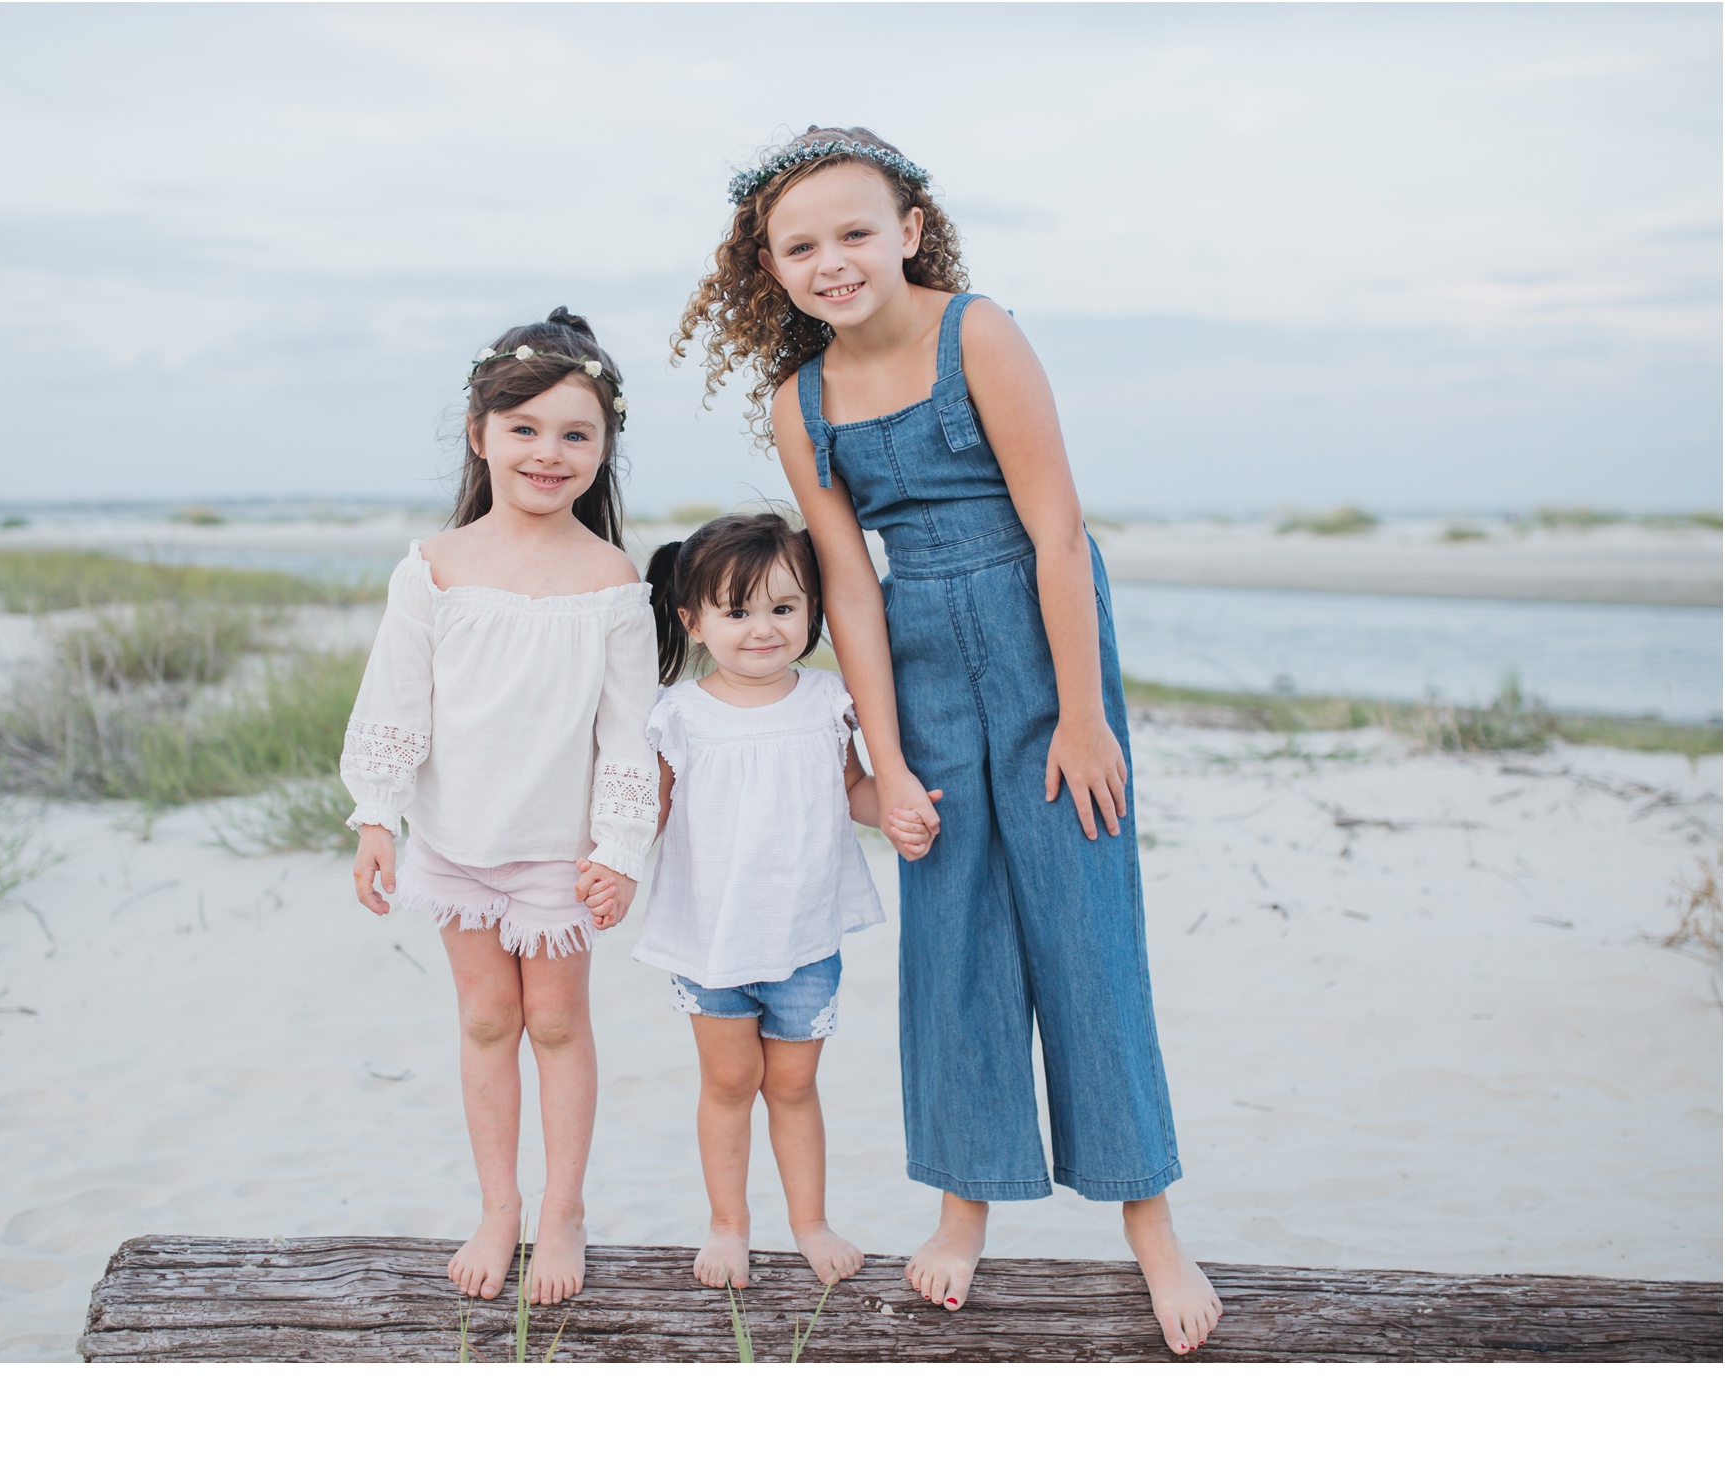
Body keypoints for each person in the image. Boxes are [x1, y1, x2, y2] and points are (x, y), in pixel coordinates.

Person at [672, 129, 1223, 1353]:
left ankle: (1150, 1223)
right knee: (955, 938)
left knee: (1084, 932)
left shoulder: (977, 332)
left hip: (1043, 651)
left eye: (854, 232)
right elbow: (850, 593)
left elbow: (1060, 532)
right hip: (918, 667)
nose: (832, 261)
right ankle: (961, 1206)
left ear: (909, 230)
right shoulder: (796, 400)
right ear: (766, 268)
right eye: (798, 245)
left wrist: (1081, 716)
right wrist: (887, 754)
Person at [342, 308, 657, 1306]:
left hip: (558, 852)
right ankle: (498, 1203)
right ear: (479, 434)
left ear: (604, 449)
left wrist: (618, 847)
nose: (548, 452)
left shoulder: (611, 581)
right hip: (457, 840)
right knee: (485, 1018)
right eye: (523, 428)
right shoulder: (433, 567)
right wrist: (376, 814)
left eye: (575, 433)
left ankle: (562, 1207)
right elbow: (394, 701)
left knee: (557, 1022)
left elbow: (626, 735)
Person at [629, 512, 931, 1290]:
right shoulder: (680, 714)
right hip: (712, 941)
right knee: (729, 1084)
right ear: (694, 620)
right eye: (737, 612)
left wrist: (893, 814)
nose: (762, 629)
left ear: (814, 612)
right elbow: (648, 814)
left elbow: (856, 790)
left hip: (804, 936)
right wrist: (609, 864)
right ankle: (729, 1224)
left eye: (783, 608)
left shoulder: (830, 701)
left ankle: (809, 1220)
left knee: (794, 1086)